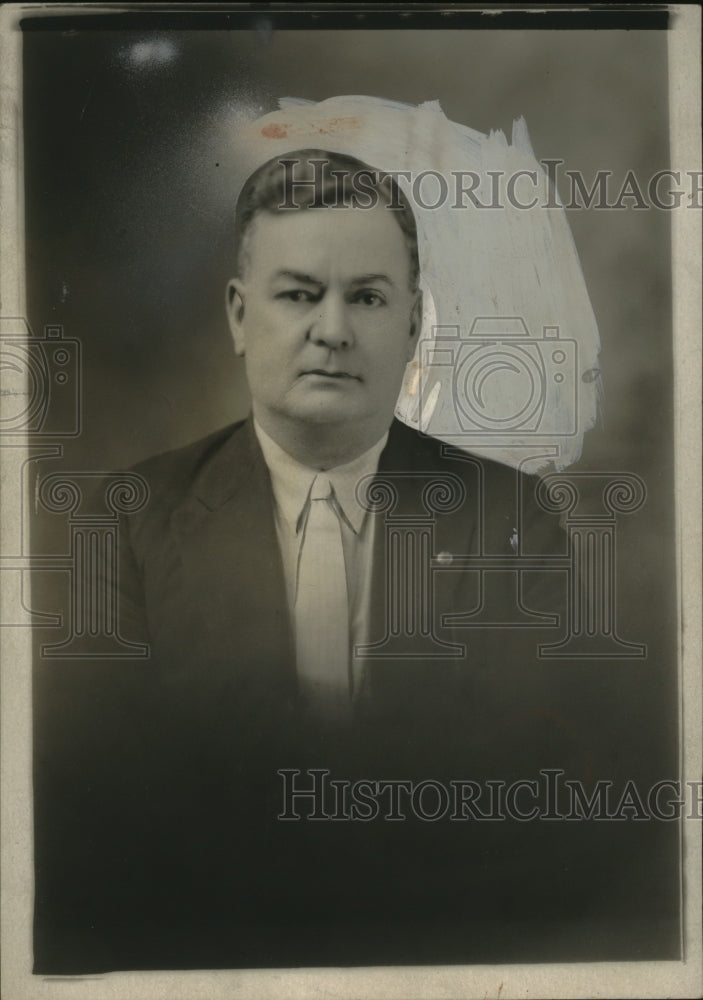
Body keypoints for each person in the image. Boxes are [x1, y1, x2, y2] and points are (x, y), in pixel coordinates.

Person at [34, 151, 615, 974]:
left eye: (368, 298)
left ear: (413, 324)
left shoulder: (510, 518)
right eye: (300, 294)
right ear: (239, 316)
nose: (333, 329)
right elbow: (104, 808)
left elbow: (538, 798)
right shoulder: (127, 520)